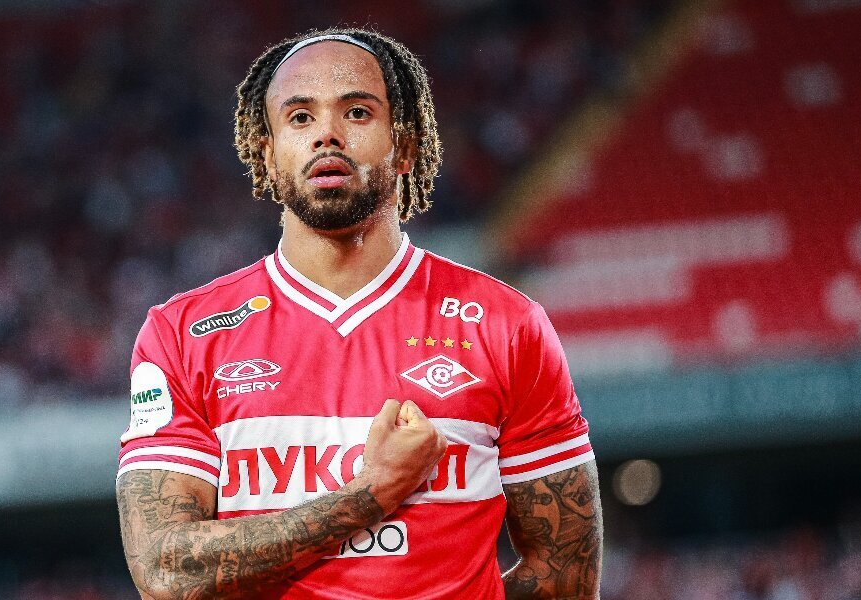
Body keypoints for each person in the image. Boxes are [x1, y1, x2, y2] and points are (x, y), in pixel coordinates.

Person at [115, 27, 601, 599]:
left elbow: (565, 573)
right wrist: (372, 492)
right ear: (267, 154)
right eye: (300, 117)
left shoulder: (505, 325)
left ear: (406, 145)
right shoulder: (181, 335)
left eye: (357, 112)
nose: (327, 134)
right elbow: (165, 570)